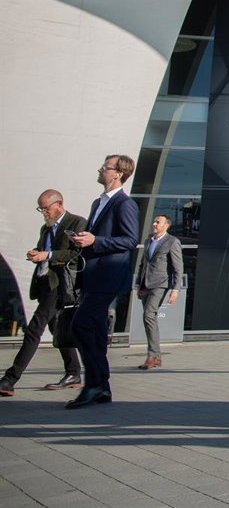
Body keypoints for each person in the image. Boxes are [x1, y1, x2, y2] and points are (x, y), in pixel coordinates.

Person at [67, 154, 140, 409]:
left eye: (105, 167)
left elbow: (130, 240)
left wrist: (95, 240)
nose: (100, 170)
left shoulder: (125, 204)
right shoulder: (98, 202)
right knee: (96, 333)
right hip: (93, 277)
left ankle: (93, 385)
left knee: (80, 325)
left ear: (118, 173)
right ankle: (102, 388)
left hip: (108, 278)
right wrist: (84, 239)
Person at [0, 190, 87, 397]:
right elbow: (43, 250)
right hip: (44, 284)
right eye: (41, 209)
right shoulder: (46, 228)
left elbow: (76, 254)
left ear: (59, 204)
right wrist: (35, 253)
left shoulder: (77, 223)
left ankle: (10, 379)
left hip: (59, 286)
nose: (44, 213)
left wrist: (47, 255)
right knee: (57, 329)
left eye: (46, 208)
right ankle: (73, 373)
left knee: (33, 330)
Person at [135, 214, 183, 371]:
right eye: (154, 221)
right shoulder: (148, 241)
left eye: (158, 222)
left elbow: (177, 268)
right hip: (145, 285)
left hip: (160, 284)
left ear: (166, 225)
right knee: (150, 319)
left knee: (148, 315)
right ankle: (156, 357)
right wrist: (138, 284)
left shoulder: (172, 242)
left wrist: (175, 289)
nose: (154, 224)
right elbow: (143, 264)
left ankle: (152, 356)